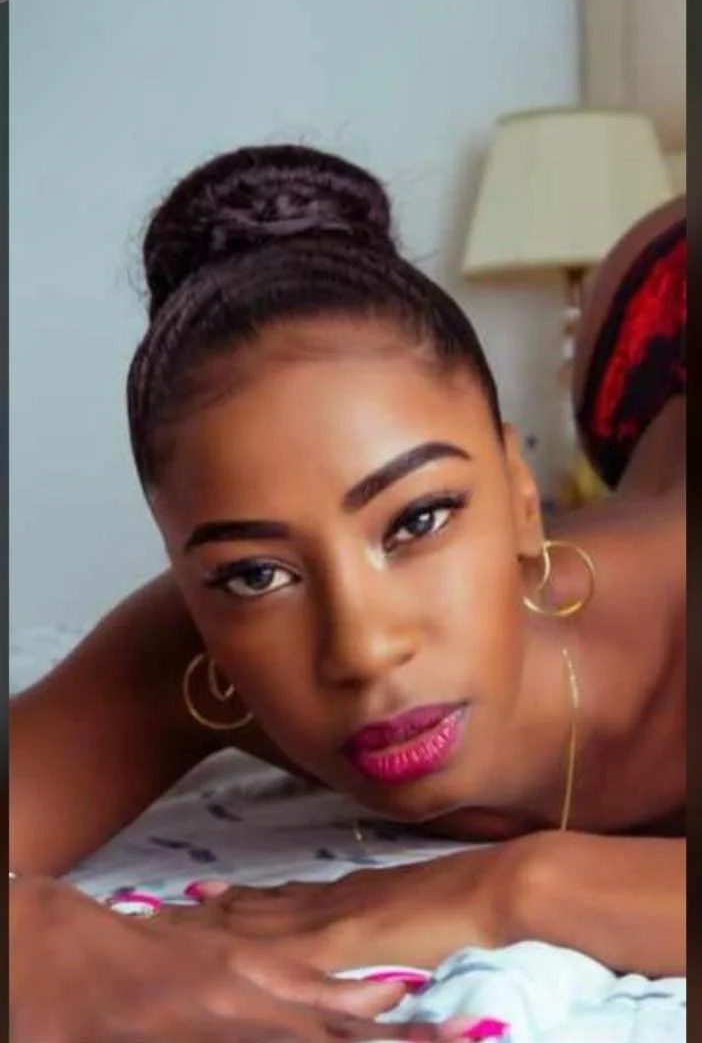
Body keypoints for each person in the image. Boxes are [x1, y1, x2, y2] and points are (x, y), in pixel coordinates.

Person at [10, 146, 685, 1036]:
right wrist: (33, 933)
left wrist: (515, 886)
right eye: (258, 573)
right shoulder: (197, 649)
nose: (362, 649)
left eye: (418, 518)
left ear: (523, 495)